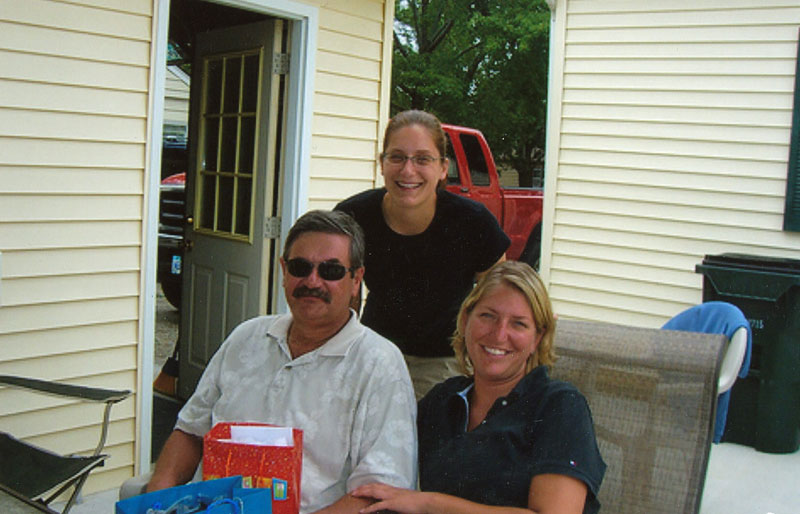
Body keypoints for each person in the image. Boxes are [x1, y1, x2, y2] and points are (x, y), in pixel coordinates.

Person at [138, 210, 417, 514]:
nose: (313, 281)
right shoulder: (247, 338)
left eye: (331, 271)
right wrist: (154, 505)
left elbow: (378, 492)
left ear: (355, 280)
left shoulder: (378, 364)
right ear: (284, 271)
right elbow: (190, 432)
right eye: (300, 267)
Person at [352, 261, 606, 514]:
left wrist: (427, 503)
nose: (499, 334)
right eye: (488, 316)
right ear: (465, 320)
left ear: (536, 339)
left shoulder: (559, 406)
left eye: (518, 324)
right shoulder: (443, 401)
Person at [335, 110, 510, 399]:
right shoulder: (353, 216)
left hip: (444, 362)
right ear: (382, 164)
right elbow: (343, 294)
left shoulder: (472, 222)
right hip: (373, 353)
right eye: (397, 157)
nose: (408, 171)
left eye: (422, 159)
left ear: (443, 168)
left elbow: (500, 294)